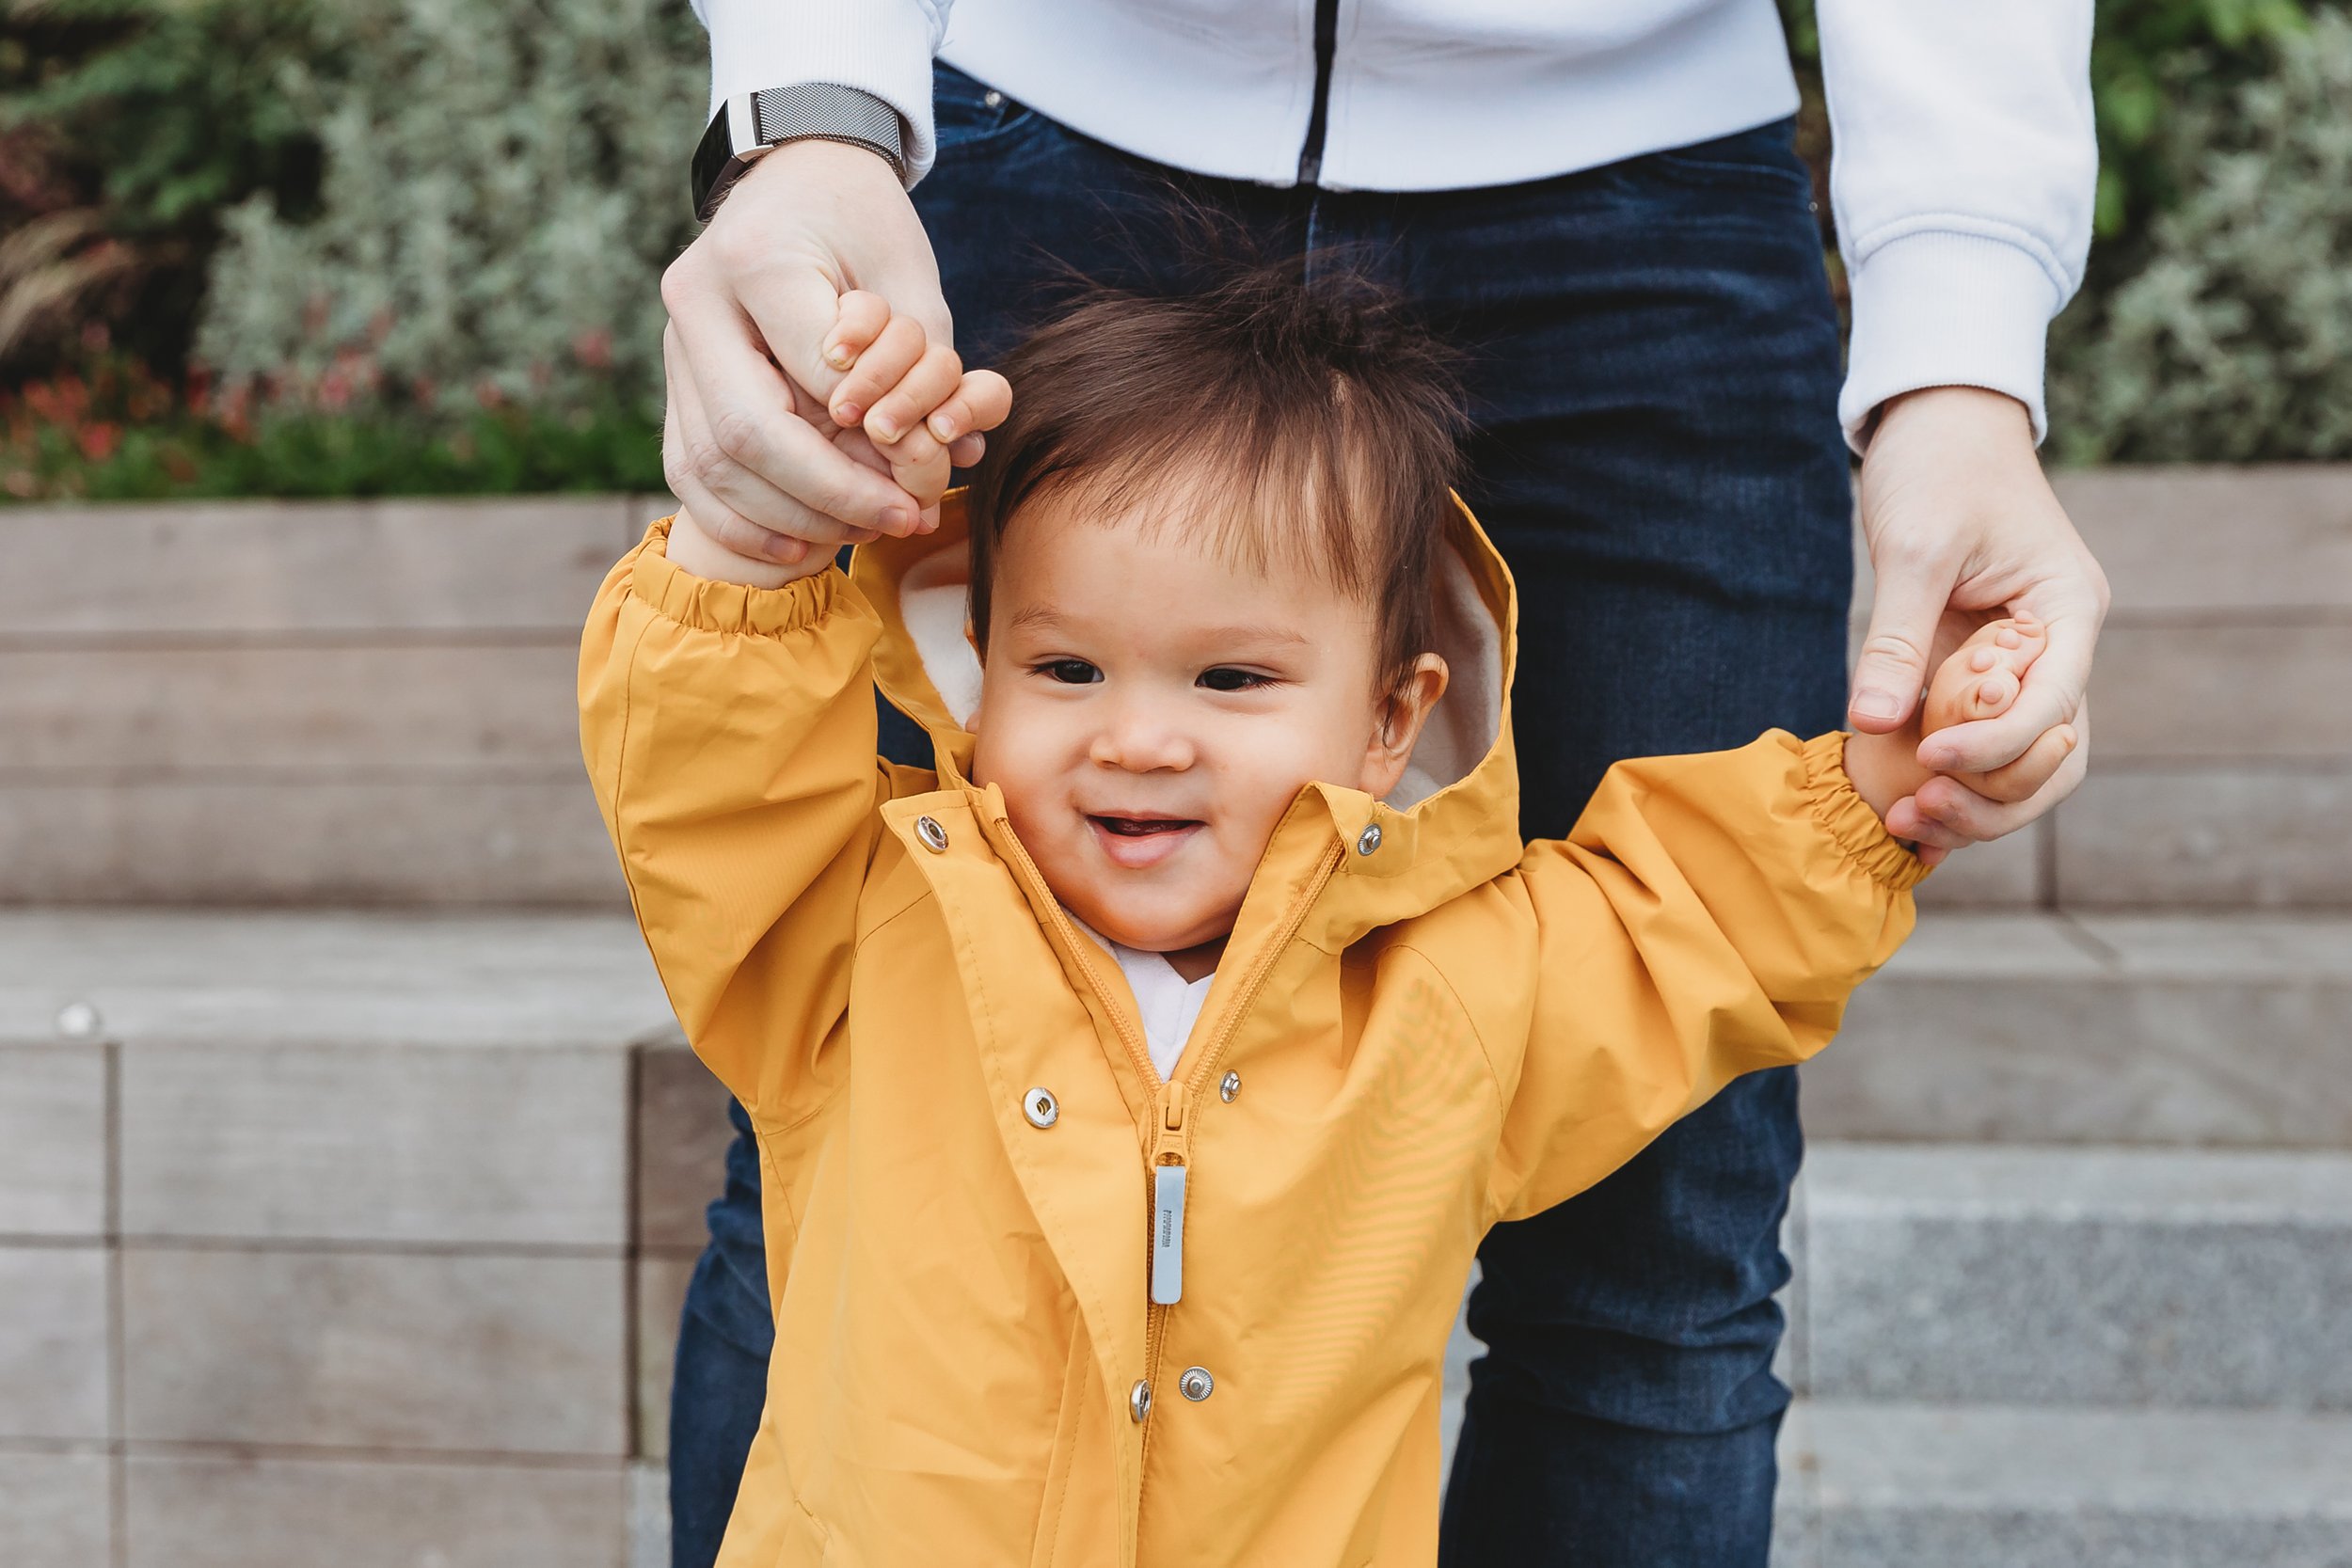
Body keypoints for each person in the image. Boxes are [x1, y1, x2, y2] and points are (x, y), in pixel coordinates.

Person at [653, 4, 2108, 1561]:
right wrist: (746, 537)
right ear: (975, 657)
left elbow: (1676, 932)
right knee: (816, 1207)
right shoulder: (872, 931)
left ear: (1393, 723)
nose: (1139, 738)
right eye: (1066, 669)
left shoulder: (1464, 996)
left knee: (1658, 1263)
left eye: (1229, 680)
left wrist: (1884, 762)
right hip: (1043, 110)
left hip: (1645, 177)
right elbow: (732, 793)